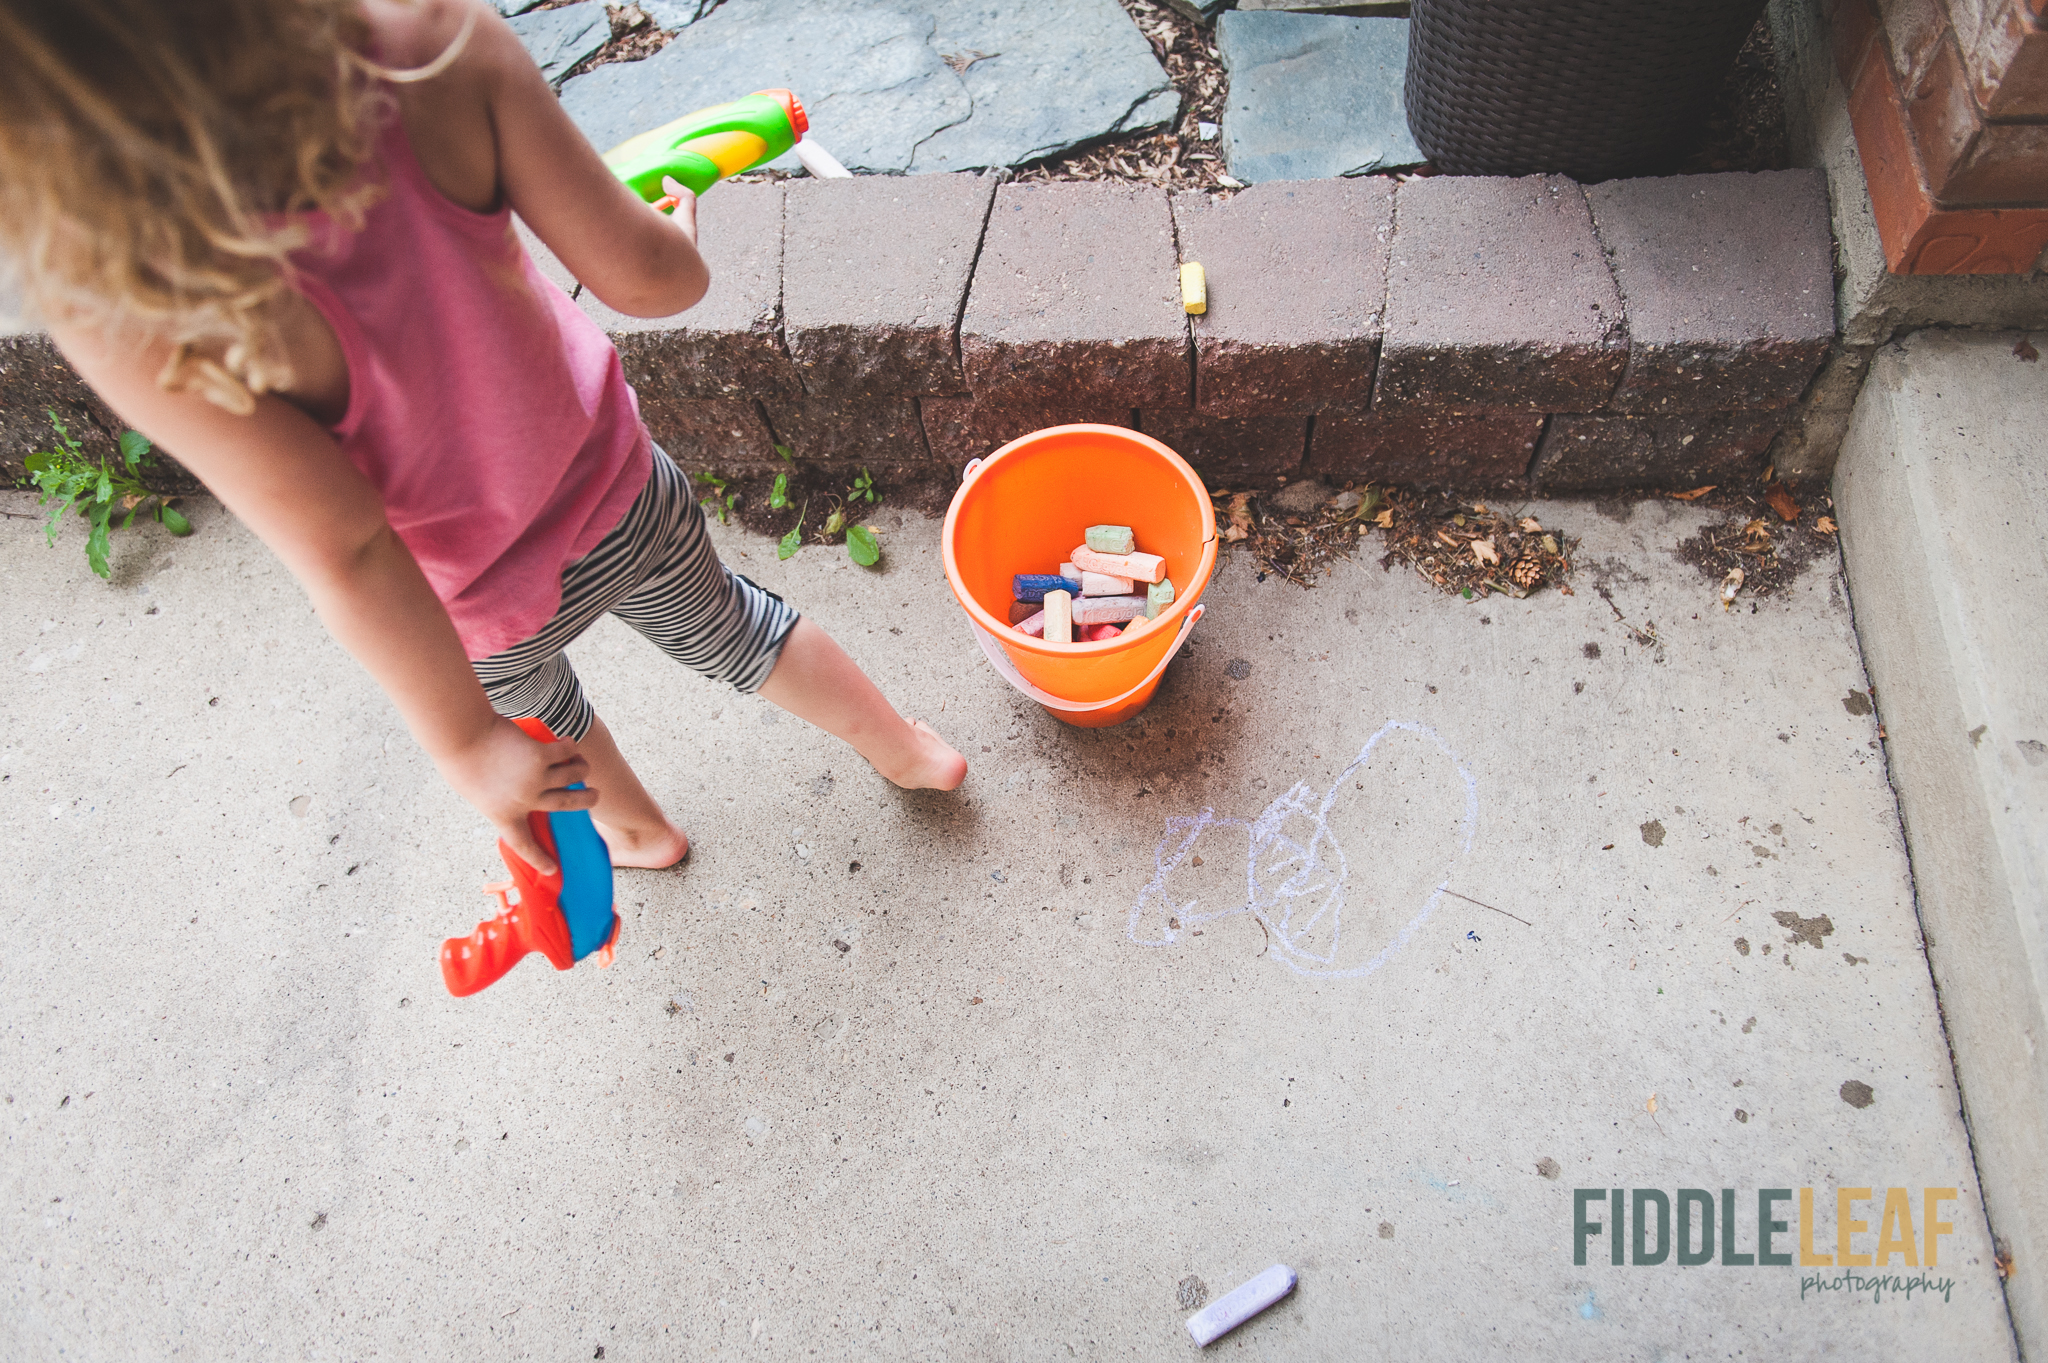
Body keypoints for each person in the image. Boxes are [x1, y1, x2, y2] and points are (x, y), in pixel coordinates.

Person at [0, 0, 968, 877]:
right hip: (617, 484)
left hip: (468, 598)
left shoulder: (122, 307)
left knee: (547, 725)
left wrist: (467, 742)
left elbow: (346, 542)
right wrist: (673, 231)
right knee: (734, 626)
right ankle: (904, 749)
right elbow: (649, 283)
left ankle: (636, 833)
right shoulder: (428, 45)